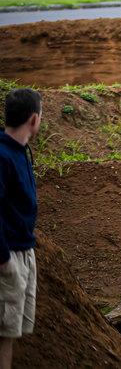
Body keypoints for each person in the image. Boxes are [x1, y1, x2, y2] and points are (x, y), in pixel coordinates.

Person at [0, 88, 39, 369]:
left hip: (22, 250)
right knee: (3, 334)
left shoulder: (20, 150)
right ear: (34, 119)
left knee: (9, 333)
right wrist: (2, 256)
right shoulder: (2, 155)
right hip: (8, 255)